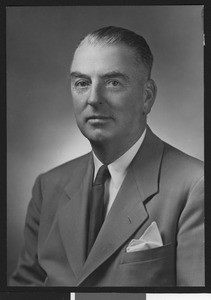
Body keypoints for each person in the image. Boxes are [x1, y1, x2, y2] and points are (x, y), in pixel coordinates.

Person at [10, 26, 204, 287]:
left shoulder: (196, 186)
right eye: (82, 83)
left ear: (147, 97)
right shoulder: (48, 186)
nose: (93, 98)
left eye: (113, 82)